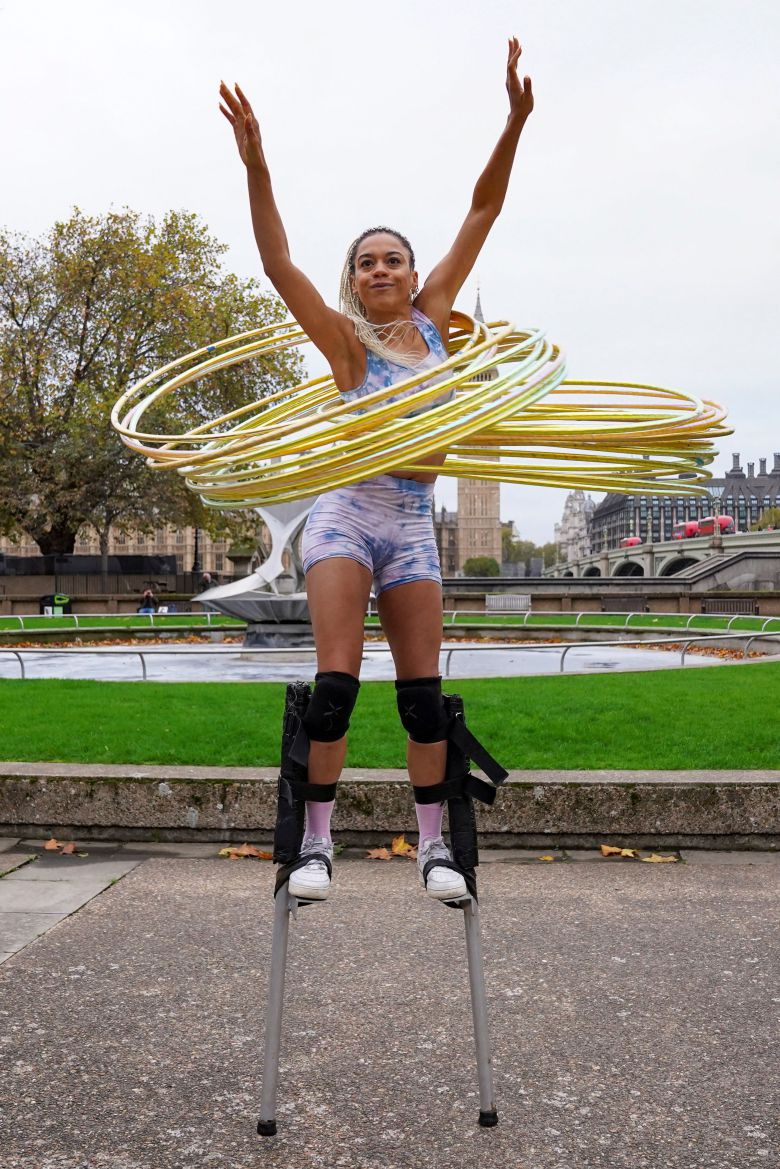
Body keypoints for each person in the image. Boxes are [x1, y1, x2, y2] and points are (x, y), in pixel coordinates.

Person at [219, 39, 533, 902]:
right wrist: (258, 165)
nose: (382, 268)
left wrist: (514, 120)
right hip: (348, 516)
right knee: (334, 689)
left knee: (426, 697)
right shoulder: (347, 348)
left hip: (412, 521)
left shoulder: (435, 326)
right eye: (367, 261)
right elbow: (279, 264)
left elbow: (483, 208)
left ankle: (434, 844)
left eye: (394, 257)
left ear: (413, 271)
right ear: (354, 283)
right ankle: (317, 841)